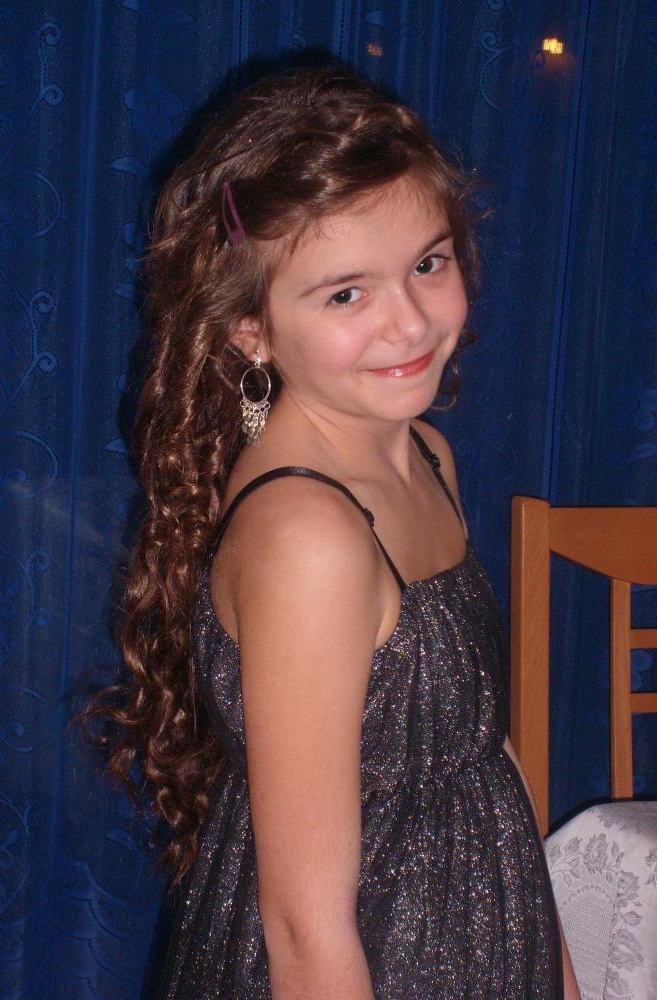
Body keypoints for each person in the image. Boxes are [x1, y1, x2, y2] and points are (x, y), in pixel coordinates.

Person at [92, 67, 580, 998]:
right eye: (346, 294)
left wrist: (553, 965)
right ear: (250, 329)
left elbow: (482, 740)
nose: (410, 322)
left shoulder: (425, 453)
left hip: (487, 936)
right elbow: (304, 929)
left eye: (428, 265)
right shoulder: (308, 537)